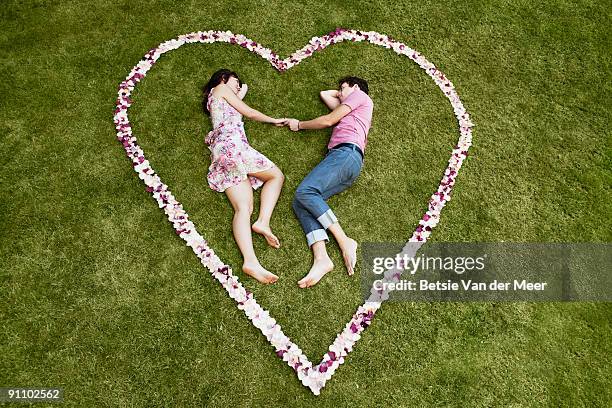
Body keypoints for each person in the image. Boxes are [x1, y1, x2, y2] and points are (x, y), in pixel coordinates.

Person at [284, 76, 374, 288]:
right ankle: (321, 258)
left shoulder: (361, 97)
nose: (339, 92)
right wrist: (343, 95)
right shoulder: (353, 106)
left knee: (306, 192)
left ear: (357, 87)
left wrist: (299, 125)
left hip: (345, 154)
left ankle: (345, 241)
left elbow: (328, 120)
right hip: (348, 162)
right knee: (302, 201)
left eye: (342, 88)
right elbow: (326, 95)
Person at [202, 69, 286, 284]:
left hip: (223, 152)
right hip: (234, 148)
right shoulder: (220, 88)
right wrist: (274, 120)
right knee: (275, 176)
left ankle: (250, 261)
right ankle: (263, 222)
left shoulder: (220, 99)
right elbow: (249, 112)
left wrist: (240, 88)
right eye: (236, 81)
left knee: (243, 208)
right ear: (222, 79)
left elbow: (239, 98)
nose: (239, 87)